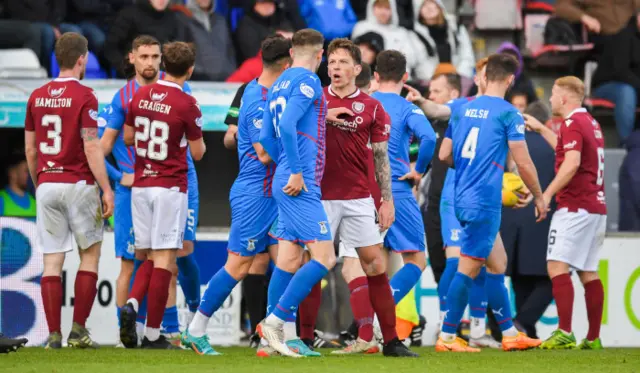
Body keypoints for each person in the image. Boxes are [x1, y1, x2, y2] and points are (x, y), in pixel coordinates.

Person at [180, 35, 293, 356]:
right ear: (285, 65)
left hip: (274, 193)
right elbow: (263, 152)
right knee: (240, 264)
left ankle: (278, 334)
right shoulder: (256, 99)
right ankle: (196, 329)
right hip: (255, 193)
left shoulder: (272, 94)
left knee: (290, 258)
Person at [436, 53, 545, 352]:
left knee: (498, 264)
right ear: (510, 80)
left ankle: (509, 333)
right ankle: (447, 337)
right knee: (467, 269)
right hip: (484, 201)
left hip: (461, 196)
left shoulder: (462, 109)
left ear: (484, 77)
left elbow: (445, 155)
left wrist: (471, 168)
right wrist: (538, 195)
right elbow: (522, 162)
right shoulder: (509, 113)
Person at [100, 35, 202, 347]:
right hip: (163, 185)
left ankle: (153, 316)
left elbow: (128, 138)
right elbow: (101, 147)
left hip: (149, 183)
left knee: (167, 256)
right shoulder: (132, 96)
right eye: (143, 56)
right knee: (154, 260)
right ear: (131, 58)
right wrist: (119, 178)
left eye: (155, 57)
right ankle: (152, 332)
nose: (149, 63)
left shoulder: (143, 98)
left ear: (163, 61)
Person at [319, 39, 418, 357]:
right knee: (308, 264)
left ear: (358, 69)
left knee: (374, 265)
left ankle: (387, 340)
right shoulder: (315, 101)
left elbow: (380, 158)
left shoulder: (373, 107)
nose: (335, 67)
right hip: (318, 197)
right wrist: (330, 116)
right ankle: (301, 337)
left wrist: (386, 199)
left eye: (343, 62)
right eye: (332, 62)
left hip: (359, 198)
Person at [24, 32, 115, 349]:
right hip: (78, 183)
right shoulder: (86, 96)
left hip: (47, 182)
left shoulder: (36, 96)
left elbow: (31, 150)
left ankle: (53, 336)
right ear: (82, 59)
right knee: (90, 255)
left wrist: (40, 184)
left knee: (52, 262)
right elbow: (91, 146)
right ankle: (78, 331)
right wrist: (106, 188)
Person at [256, 28, 334, 358]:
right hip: (300, 183)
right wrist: (297, 170)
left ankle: (271, 342)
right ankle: (274, 322)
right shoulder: (308, 80)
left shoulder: (277, 84)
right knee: (325, 258)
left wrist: (284, 163)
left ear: (291, 52)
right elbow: (287, 126)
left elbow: (266, 134)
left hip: (284, 179)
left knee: (287, 260)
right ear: (321, 55)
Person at [524, 76, 607, 350]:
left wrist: (545, 195)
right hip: (595, 207)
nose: (550, 99)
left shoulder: (572, 123)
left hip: (575, 207)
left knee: (556, 265)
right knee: (588, 271)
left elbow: (571, 163)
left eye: (553, 95)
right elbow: (566, 147)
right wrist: (540, 128)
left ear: (564, 98)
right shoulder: (590, 123)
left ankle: (564, 331)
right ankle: (593, 338)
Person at [369, 49, 436, 338]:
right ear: (405, 77)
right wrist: (418, 170)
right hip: (395, 188)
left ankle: (360, 327)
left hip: (360, 191)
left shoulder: (364, 102)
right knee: (416, 260)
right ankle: (375, 320)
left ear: (375, 76)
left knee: (362, 262)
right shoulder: (407, 108)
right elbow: (430, 138)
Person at [500, 101, 556, 339]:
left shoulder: (511, 145)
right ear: (546, 122)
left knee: (520, 277)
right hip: (543, 217)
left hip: (510, 217)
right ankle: (524, 322)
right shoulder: (554, 145)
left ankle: (525, 328)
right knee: (552, 277)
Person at [105, 0, 187, 77]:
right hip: (132, 78)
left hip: (162, 78)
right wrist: (127, 70)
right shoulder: (129, 14)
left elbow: (177, 52)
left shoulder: (173, 18)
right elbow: (111, 47)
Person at [411, 0, 475, 81]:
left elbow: (467, 55)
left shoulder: (456, 28)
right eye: (423, 5)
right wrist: (438, 81)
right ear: (418, 10)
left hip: (459, 80)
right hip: (430, 83)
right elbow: (421, 63)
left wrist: (459, 77)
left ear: (439, 5)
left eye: (432, 3)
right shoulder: (414, 35)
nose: (429, 8)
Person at [177, 0, 236, 81]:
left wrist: (231, 71)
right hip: (198, 82)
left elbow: (230, 52)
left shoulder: (221, 20)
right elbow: (181, 54)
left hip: (226, 81)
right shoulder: (182, 19)